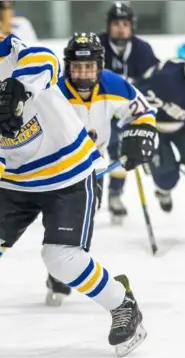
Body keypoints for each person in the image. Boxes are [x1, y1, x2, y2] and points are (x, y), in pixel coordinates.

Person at [0, 18, 155, 358]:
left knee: (61, 260)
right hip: (16, 183)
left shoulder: (7, 53)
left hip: (69, 175)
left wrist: (17, 89)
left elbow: (46, 60)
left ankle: (123, 304)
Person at [46, 32, 157, 306]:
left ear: (99, 65)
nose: (83, 74)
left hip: (94, 164)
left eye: (89, 67)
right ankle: (59, 272)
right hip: (54, 167)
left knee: (82, 222)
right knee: (57, 223)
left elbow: (143, 111)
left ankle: (65, 271)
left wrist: (139, 135)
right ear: (67, 65)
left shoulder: (114, 84)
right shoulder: (53, 92)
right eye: (77, 67)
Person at [135, 36, 185, 237]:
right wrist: (135, 131)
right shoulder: (166, 77)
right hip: (156, 130)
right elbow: (134, 97)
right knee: (167, 178)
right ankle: (162, 189)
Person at [98, 2, 159, 223]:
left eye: (125, 24)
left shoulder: (143, 50)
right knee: (93, 150)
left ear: (131, 26)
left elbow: (154, 82)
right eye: (116, 24)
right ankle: (86, 193)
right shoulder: (98, 46)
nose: (121, 28)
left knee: (122, 150)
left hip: (129, 112)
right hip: (99, 109)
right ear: (109, 26)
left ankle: (115, 193)